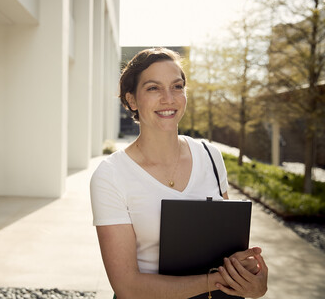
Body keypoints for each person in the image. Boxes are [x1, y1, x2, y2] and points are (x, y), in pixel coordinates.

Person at [90, 48, 268, 299]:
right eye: (153, 88)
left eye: (177, 86)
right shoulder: (111, 175)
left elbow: (227, 250)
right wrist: (216, 281)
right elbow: (127, 287)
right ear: (131, 100)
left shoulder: (210, 156)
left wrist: (252, 280)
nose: (168, 98)